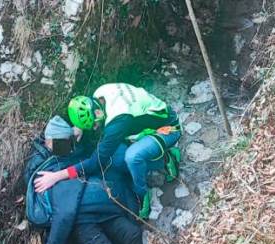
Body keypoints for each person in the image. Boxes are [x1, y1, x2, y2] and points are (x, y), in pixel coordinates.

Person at [24, 116, 149, 244]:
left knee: (131, 233)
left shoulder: (70, 152)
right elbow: (63, 215)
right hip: (82, 222)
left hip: (101, 209)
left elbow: (92, 153)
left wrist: (78, 131)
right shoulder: (46, 175)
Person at [34, 83, 182, 219]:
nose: (95, 128)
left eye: (94, 125)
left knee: (132, 157)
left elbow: (95, 162)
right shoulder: (100, 93)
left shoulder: (118, 121)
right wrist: (80, 127)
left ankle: (142, 194)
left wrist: (56, 176)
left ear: (98, 113)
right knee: (117, 158)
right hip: (146, 123)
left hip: (167, 129)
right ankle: (165, 158)